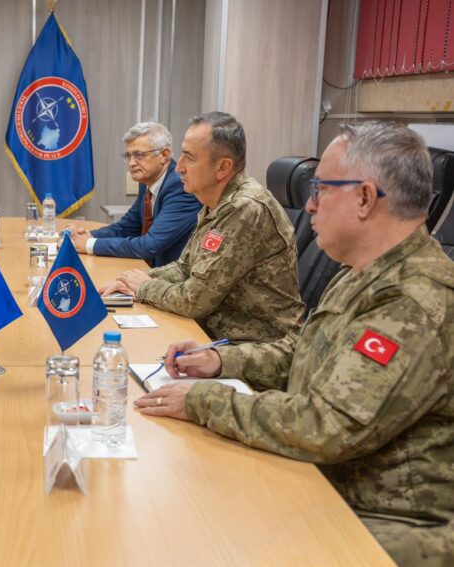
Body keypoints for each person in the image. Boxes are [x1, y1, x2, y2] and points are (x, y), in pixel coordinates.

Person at [135, 122, 454, 566]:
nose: (309, 204)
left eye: (321, 188)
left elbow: (327, 425)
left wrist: (204, 401)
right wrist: (219, 360)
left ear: (365, 198)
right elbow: (299, 352)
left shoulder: (413, 298)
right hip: (325, 479)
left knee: (208, 537)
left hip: (385, 520)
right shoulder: (363, 272)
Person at [100, 112, 304, 343]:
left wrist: (144, 287)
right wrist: (132, 279)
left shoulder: (245, 208)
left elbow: (193, 300)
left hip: (252, 344)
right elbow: (185, 267)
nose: (179, 167)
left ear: (223, 167)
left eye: (189, 157)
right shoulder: (215, 201)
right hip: (213, 334)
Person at [66, 122, 200, 267]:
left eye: (139, 155)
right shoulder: (147, 181)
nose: (131, 163)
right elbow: (127, 227)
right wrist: (88, 235)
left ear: (164, 155)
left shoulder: (180, 186)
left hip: (173, 275)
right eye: (128, 156)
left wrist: (89, 244)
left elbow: (150, 245)